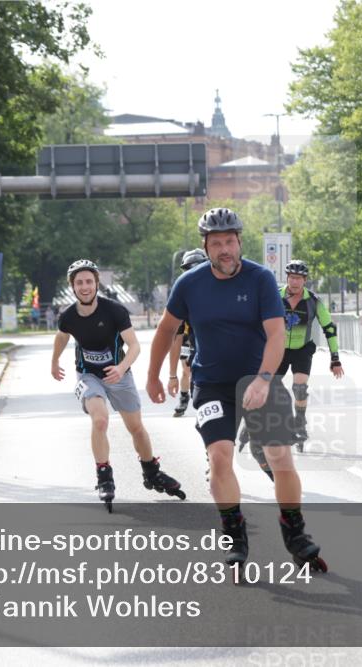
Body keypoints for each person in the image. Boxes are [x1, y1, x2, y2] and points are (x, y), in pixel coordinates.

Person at [146, 208, 327, 574]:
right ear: (206, 247)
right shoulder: (190, 283)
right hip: (212, 384)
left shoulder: (259, 278)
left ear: (240, 241)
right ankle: (234, 533)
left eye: (230, 241)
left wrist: (263, 379)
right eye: (216, 244)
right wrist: (152, 376)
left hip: (259, 379)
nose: (225, 249)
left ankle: (294, 530)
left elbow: (276, 335)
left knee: (279, 457)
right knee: (220, 459)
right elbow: (166, 330)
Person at [52, 259, 185, 512]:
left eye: (89, 281)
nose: (85, 287)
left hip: (119, 373)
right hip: (88, 376)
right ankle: (104, 475)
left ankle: (151, 471)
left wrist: (121, 369)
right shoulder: (68, 316)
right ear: (73, 286)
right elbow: (61, 336)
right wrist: (54, 360)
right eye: (79, 282)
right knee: (99, 420)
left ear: (96, 283)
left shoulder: (114, 311)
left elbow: (134, 346)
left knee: (136, 427)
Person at [238, 259, 344, 469]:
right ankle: (251, 425)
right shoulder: (274, 296)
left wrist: (335, 358)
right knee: (266, 390)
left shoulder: (313, 301)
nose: (295, 282)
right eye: (291, 278)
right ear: (287, 278)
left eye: (299, 279)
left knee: (299, 388)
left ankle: (300, 422)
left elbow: (329, 328)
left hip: (302, 349)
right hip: (277, 349)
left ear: (305, 280)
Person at [168, 248, 209, 418]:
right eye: (189, 270)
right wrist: (172, 375)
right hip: (188, 336)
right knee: (187, 370)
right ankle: (184, 397)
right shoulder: (181, 296)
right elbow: (174, 338)